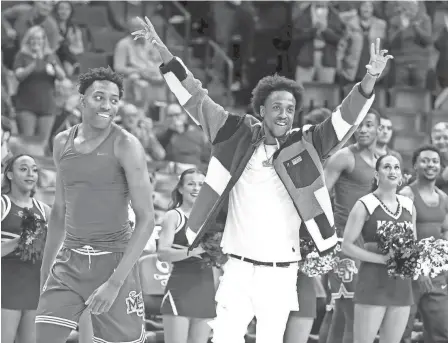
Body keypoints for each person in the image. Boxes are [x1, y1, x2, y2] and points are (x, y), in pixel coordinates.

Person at [133, 16, 391, 343]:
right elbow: (195, 99)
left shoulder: (308, 143)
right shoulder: (234, 133)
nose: (284, 114)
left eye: (290, 108)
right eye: (277, 107)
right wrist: (165, 56)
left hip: (282, 272)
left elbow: (344, 119)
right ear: (262, 108)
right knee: (225, 338)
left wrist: (369, 79)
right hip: (236, 268)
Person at [35, 67, 155, 343]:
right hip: (69, 262)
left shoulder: (127, 145)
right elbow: (59, 211)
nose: (107, 106)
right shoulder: (61, 142)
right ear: (82, 100)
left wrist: (114, 283)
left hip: (114, 262)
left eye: (114, 100)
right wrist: (46, 268)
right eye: (99, 97)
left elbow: (147, 219)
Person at [342, 154, 416, 343]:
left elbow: (413, 244)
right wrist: (382, 259)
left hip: (401, 285)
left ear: (401, 175)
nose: (392, 171)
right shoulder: (365, 204)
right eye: (387, 167)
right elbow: (347, 246)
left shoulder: (409, 206)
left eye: (397, 167)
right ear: (376, 174)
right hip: (373, 282)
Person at [323, 108, 380, 343]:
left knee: (342, 316)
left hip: (366, 244)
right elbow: (320, 195)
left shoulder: (379, 163)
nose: (363, 130)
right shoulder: (344, 156)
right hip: (342, 242)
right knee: (354, 313)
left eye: (368, 124)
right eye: (359, 125)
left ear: (379, 129)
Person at [158, 168, 216, 343]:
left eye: (201, 185)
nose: (196, 188)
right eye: (191, 184)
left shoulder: (212, 218)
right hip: (180, 290)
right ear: (181, 189)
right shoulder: (173, 216)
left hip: (206, 290)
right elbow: (162, 253)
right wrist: (195, 251)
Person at [399, 145, 448, 343]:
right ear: (415, 166)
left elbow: (445, 233)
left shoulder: (444, 198)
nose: (431, 165)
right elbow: (401, 239)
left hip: (436, 274)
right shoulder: (405, 195)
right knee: (401, 330)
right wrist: (419, 269)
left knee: (441, 331)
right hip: (409, 272)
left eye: (435, 161)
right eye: (425, 160)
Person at [1, 154, 51, 343]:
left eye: (34, 169)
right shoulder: (3, 204)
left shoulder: (44, 210)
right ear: (10, 175)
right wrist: (22, 240)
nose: (30, 174)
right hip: (6, 287)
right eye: (23, 169)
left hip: (34, 288)